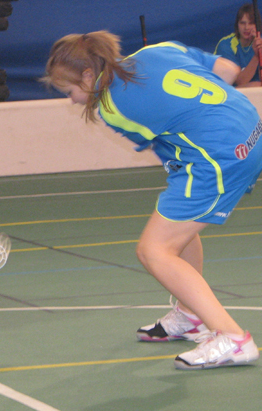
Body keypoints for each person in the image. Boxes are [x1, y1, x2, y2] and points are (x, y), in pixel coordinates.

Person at [42, 31, 262, 370]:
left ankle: (233, 338)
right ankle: (190, 314)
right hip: (251, 127)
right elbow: (229, 71)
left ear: (87, 76)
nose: (71, 101)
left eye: (69, 91)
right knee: (173, 220)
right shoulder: (158, 50)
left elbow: (164, 146)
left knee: (153, 250)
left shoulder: (112, 106)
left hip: (221, 155)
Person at [214, 3, 262, 87]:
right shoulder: (225, 45)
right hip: (223, 90)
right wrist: (256, 56)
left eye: (251, 23)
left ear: (257, 25)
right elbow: (239, 81)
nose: (246, 27)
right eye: (242, 23)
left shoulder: (259, 43)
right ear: (237, 24)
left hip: (250, 90)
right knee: (257, 86)